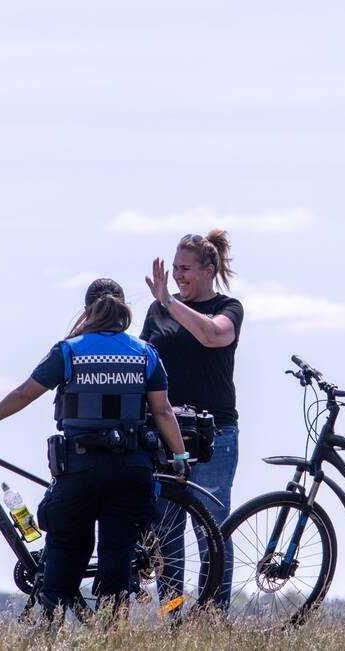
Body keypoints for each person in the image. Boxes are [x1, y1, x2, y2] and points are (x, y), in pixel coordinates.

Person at [0, 278, 190, 620]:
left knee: (66, 546)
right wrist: (180, 457)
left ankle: (51, 623)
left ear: (87, 311)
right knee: (118, 551)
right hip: (130, 468)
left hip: (81, 468)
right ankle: (110, 628)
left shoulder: (69, 350)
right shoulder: (144, 353)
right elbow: (162, 412)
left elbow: (25, 393)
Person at [142, 230, 244, 607]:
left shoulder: (228, 307)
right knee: (166, 531)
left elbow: (212, 336)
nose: (177, 275)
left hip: (213, 434)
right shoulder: (158, 309)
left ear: (208, 269)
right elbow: (145, 363)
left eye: (185, 269)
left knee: (212, 529)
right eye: (175, 268)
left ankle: (214, 614)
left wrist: (169, 301)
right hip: (166, 433)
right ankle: (174, 615)